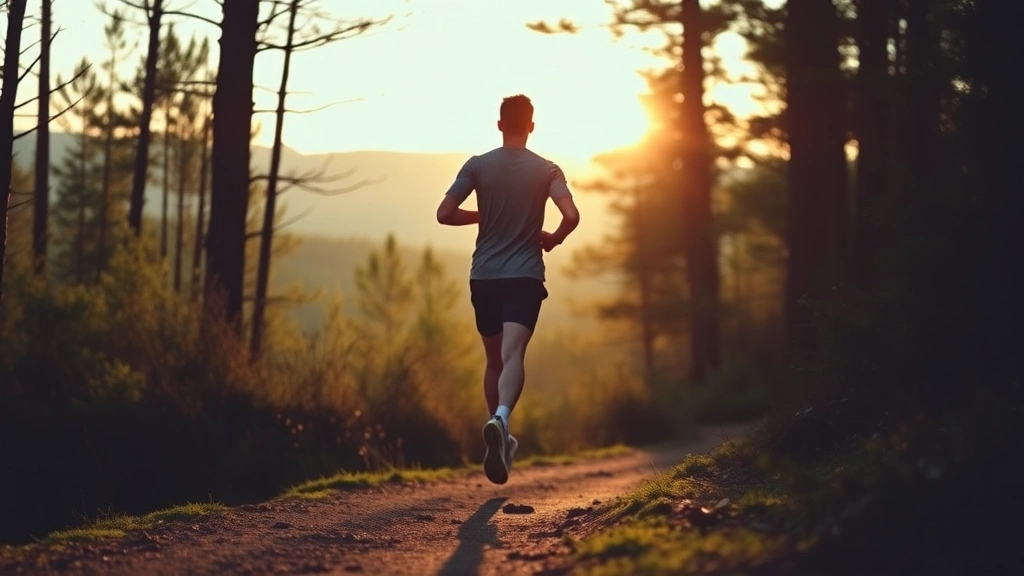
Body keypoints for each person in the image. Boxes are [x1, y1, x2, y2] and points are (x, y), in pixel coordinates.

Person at [435, 94, 581, 485]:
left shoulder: (477, 166)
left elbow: (444, 214)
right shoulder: (548, 170)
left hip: (484, 276)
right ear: (532, 126)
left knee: (493, 359)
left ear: (499, 125)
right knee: (514, 352)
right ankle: (501, 419)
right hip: (524, 275)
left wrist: (485, 213)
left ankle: (499, 431)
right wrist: (553, 240)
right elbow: (572, 215)